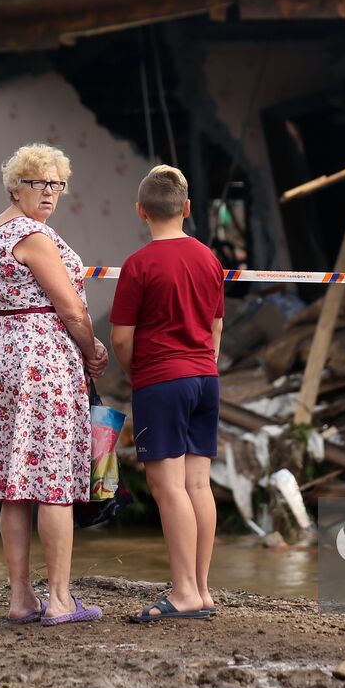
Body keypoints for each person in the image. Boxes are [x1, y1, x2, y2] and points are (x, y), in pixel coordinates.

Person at [0, 143, 108, 627]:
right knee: (53, 481)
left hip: (5, 351)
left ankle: (19, 598)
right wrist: (92, 348)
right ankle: (58, 599)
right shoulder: (33, 235)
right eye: (39, 183)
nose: (50, 192)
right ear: (17, 186)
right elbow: (70, 308)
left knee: (15, 483)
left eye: (56, 184)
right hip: (43, 358)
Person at [110, 165, 225, 622]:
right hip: (205, 378)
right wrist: (205, 362)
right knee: (198, 483)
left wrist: (139, 372)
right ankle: (201, 588)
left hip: (161, 379)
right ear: (188, 209)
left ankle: (182, 593)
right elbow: (217, 324)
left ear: (142, 212)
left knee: (166, 485)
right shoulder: (209, 259)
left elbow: (121, 338)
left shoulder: (139, 265)